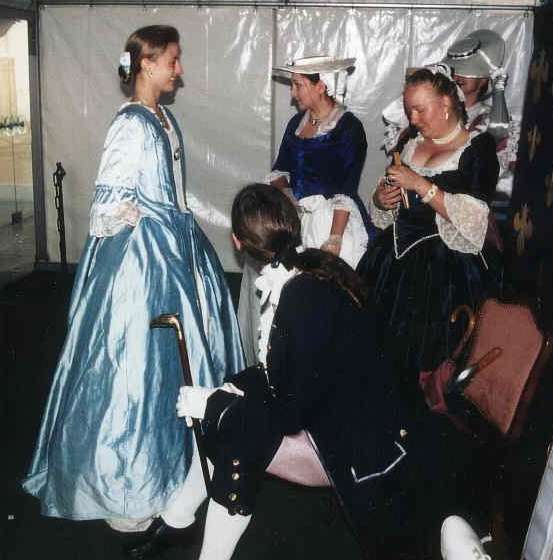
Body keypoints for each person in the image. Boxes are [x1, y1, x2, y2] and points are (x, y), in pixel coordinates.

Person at [22, 25, 244, 538]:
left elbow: (172, 191)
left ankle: (173, 470)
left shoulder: (164, 117)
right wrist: (146, 224)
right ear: (147, 63)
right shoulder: (130, 125)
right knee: (134, 370)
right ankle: (126, 484)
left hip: (174, 252)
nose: (179, 70)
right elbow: (108, 204)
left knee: (171, 365)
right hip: (142, 263)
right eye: (173, 60)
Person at [140, 183, 408, 560]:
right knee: (231, 396)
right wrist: (227, 394)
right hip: (338, 410)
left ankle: (203, 547)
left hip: (359, 444)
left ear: (237, 242)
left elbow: (290, 412)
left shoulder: (300, 294)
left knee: (236, 430)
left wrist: (216, 405)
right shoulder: (306, 267)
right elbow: (285, 375)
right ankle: (178, 519)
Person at [357, 64, 501, 554]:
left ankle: (436, 498)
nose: (412, 118)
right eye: (408, 109)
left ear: (447, 102)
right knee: (382, 373)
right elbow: (386, 215)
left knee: (429, 384)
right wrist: (384, 197)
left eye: (420, 109)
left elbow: (474, 226)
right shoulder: (408, 142)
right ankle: (389, 472)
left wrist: (422, 186)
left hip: (441, 281)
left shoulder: (478, 150)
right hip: (391, 273)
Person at [238, 55, 372, 365]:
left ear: (321, 86)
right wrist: (285, 193)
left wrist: (335, 238)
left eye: (298, 85)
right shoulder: (296, 124)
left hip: (333, 219)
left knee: (325, 297)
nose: (293, 93)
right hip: (296, 217)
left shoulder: (348, 128)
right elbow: (280, 169)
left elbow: (346, 189)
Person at [383, 29, 516, 203]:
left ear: (484, 79)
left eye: (470, 71)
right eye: (457, 70)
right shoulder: (418, 121)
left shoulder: (489, 121)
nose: (460, 75)